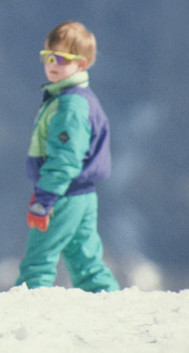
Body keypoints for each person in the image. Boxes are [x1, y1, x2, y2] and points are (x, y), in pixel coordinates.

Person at [15, 21, 119, 292]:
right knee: (87, 263)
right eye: (47, 57)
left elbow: (65, 159)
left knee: (38, 260)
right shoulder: (72, 98)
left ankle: (22, 314)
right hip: (83, 195)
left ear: (81, 64)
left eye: (61, 58)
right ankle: (112, 303)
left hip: (64, 195)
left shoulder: (70, 105)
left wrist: (45, 198)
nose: (52, 64)